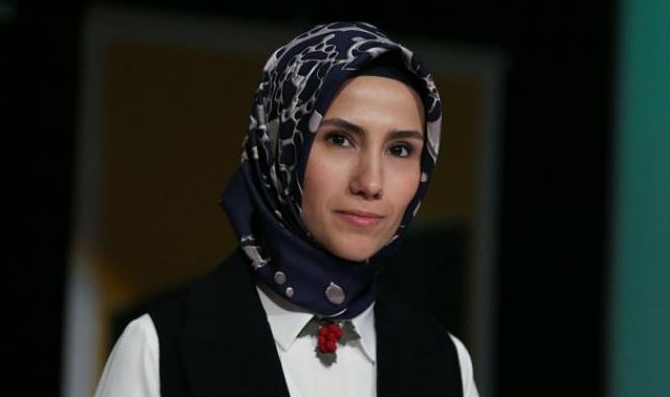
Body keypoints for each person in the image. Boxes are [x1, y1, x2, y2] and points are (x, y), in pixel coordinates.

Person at [94, 21, 479, 397]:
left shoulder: (445, 361)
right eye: (340, 139)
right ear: (280, 149)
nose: (371, 182)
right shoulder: (158, 349)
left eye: (400, 149)